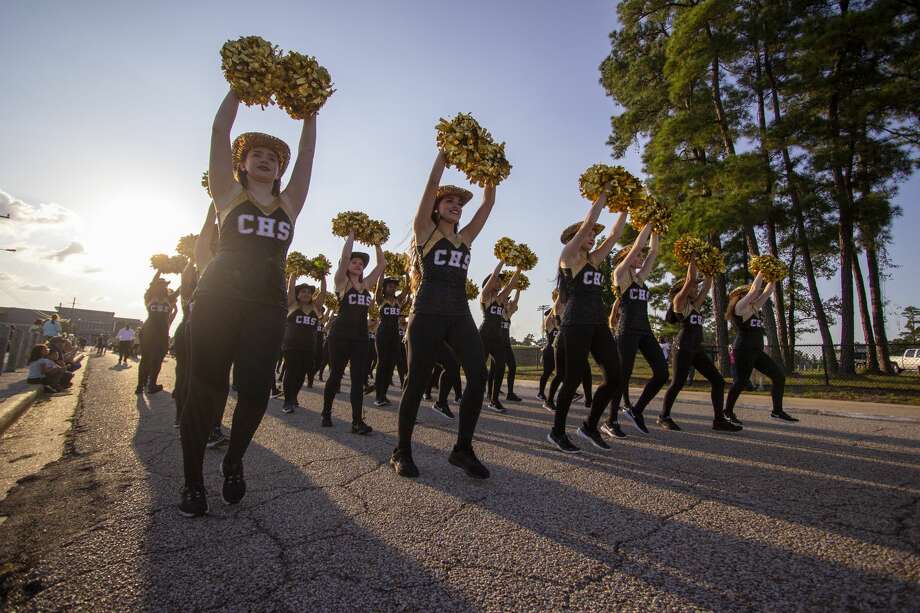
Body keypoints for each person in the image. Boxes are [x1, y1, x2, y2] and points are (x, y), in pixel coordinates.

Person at [178, 88, 317, 517]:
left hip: (267, 305)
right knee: (206, 389)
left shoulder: (289, 204)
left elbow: (308, 156)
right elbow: (220, 131)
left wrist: (310, 113)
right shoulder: (227, 194)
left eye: (273, 158)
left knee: (256, 390)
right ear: (241, 164)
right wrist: (239, 88)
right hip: (217, 298)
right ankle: (192, 482)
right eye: (256, 154)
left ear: (279, 170)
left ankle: (234, 460)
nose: (265, 159)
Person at [389, 150, 498, 479]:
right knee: (416, 381)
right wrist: (443, 156)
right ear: (436, 208)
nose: (456, 205)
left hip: (459, 313)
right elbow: (431, 184)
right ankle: (402, 451)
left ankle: (462, 449)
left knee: (478, 374)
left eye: (459, 202)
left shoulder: (465, 238)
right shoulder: (425, 230)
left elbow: (488, 205)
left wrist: (491, 173)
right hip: (427, 311)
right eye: (449, 200)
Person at [549, 197, 627, 454]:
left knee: (615, 376)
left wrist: (626, 207)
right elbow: (589, 221)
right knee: (572, 380)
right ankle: (557, 432)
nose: (593, 236)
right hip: (575, 323)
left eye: (595, 234)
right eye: (589, 233)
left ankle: (590, 426)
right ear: (576, 236)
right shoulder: (568, 257)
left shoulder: (594, 260)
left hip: (598, 323)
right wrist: (603, 194)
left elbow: (615, 235)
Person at [658, 263, 741, 432]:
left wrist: (709, 267)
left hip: (696, 349)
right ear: (684, 289)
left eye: (697, 287)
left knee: (718, 381)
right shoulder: (679, 302)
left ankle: (719, 421)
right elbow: (690, 280)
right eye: (693, 287)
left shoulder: (695, 306)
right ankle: (664, 417)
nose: (697, 288)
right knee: (677, 383)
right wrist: (693, 258)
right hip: (682, 348)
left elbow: (707, 286)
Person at [605, 224, 668, 436]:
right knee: (623, 376)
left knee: (662, 372)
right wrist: (648, 224)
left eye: (641, 255)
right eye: (637, 255)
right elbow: (638, 246)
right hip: (627, 330)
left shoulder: (640, 279)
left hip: (645, 331)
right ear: (627, 256)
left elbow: (654, 251)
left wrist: (656, 228)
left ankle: (637, 410)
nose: (641, 257)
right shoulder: (620, 274)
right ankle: (611, 420)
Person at [321, 232, 384, 433]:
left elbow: (381, 265)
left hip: (360, 337)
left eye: (361, 263)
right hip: (339, 335)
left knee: (358, 379)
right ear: (346, 265)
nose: (358, 265)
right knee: (336, 375)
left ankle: (357, 422)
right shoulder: (342, 281)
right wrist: (352, 233)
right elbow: (345, 255)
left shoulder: (366, 285)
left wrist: (377, 242)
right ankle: (326, 412)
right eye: (354, 262)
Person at [723, 274, 798, 424]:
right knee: (740, 383)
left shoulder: (754, 309)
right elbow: (754, 290)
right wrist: (761, 270)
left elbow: (767, 292)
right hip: (743, 351)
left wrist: (773, 276)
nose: (754, 295)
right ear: (740, 296)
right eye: (747, 293)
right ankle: (727, 412)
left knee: (779, 377)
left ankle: (777, 411)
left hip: (756, 352)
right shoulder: (739, 308)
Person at [280, 272, 326, 414]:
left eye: (309, 292)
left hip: (309, 346)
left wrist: (323, 276)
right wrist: (294, 274)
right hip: (291, 344)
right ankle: (287, 401)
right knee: (291, 371)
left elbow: (323, 292)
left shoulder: (315, 307)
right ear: (298, 294)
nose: (306, 294)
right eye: (303, 291)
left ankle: (293, 396)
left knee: (301, 373)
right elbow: (290, 288)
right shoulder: (292, 304)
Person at [479, 261, 520, 414]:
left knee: (501, 366)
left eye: (500, 281)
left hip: (497, 338)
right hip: (484, 336)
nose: (499, 282)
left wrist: (519, 268)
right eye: (496, 280)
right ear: (490, 283)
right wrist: (503, 260)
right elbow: (494, 275)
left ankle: (494, 400)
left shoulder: (502, 298)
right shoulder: (485, 296)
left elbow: (511, 284)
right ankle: (474, 395)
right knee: (480, 370)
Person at [136, 273, 177, 395]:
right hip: (150, 330)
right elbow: (153, 283)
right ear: (155, 286)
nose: (163, 287)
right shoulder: (149, 297)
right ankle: (140, 385)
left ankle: (151, 384)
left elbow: (180, 290)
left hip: (162, 332)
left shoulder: (169, 299)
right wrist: (160, 269)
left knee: (157, 359)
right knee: (146, 358)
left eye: (164, 285)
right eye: (161, 285)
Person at [372, 276, 409, 407]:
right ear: (385, 288)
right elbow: (377, 288)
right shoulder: (380, 300)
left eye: (394, 286)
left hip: (394, 335)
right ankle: (378, 397)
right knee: (382, 363)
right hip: (382, 334)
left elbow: (407, 288)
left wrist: (407, 272)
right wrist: (382, 270)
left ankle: (384, 394)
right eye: (390, 286)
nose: (393, 288)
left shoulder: (398, 300)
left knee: (391, 365)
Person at [489, 284, 523, 402]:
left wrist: (519, 290)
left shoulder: (508, 314)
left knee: (512, 367)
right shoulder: (496, 313)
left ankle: (510, 393)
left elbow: (515, 303)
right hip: (496, 344)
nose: (508, 302)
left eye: (508, 300)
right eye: (506, 300)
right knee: (494, 370)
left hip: (507, 345)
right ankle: (490, 393)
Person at [536, 292, 560, 402]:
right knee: (547, 373)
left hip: (558, 352)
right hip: (549, 352)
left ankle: (571, 391)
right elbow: (549, 318)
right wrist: (556, 304)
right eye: (550, 316)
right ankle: (540, 393)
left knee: (561, 372)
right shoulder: (549, 326)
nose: (552, 317)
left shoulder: (560, 326)